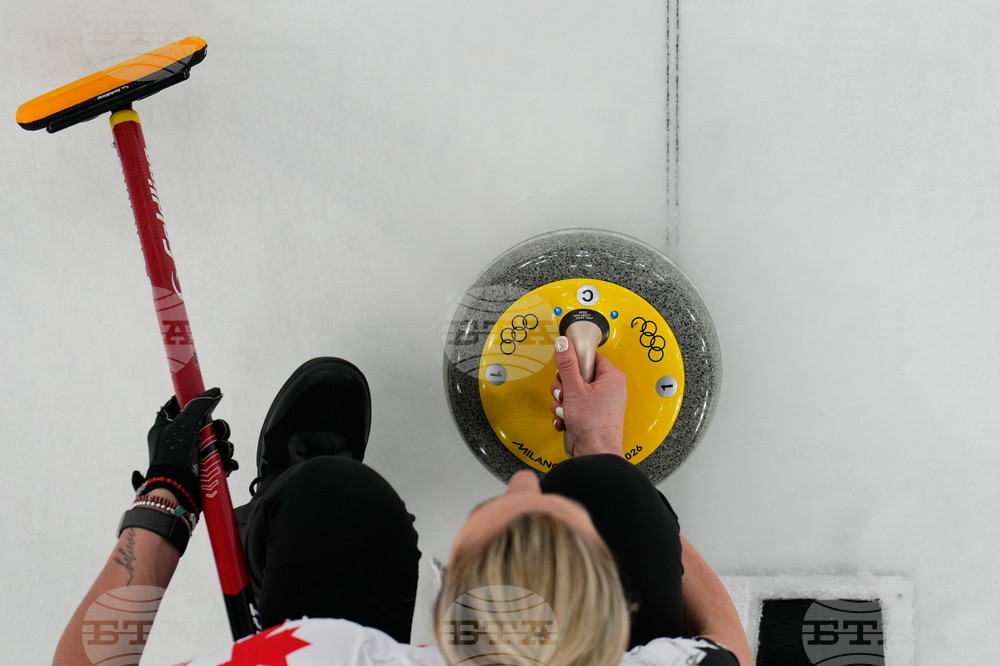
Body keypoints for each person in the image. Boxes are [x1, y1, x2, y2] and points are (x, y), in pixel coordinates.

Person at [52, 337, 753, 666]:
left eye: (503, 507)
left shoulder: (316, 659)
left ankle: (298, 506)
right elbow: (728, 643)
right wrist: (603, 450)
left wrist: (167, 496)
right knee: (613, 496)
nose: (522, 478)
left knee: (337, 502)